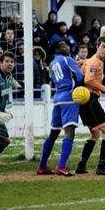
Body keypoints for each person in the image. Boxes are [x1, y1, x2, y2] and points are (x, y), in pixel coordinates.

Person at [36, 40, 84, 176]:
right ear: (58, 49)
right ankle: (61, 166)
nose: (67, 47)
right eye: (64, 45)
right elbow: (80, 76)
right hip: (69, 98)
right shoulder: (67, 59)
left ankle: (42, 166)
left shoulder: (51, 64)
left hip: (57, 99)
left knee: (53, 133)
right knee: (69, 132)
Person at [75, 36, 105, 175]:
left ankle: (81, 165)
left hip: (85, 102)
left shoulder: (90, 61)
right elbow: (88, 79)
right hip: (91, 101)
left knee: (95, 134)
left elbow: (84, 65)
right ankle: (101, 167)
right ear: (97, 46)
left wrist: (81, 62)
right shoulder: (95, 62)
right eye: (103, 46)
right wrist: (104, 88)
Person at [0, 52, 16, 171]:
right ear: (0, 63)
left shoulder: (9, 77)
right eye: (7, 61)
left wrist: (4, 111)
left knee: (6, 141)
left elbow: (2, 95)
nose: (9, 64)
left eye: (12, 62)